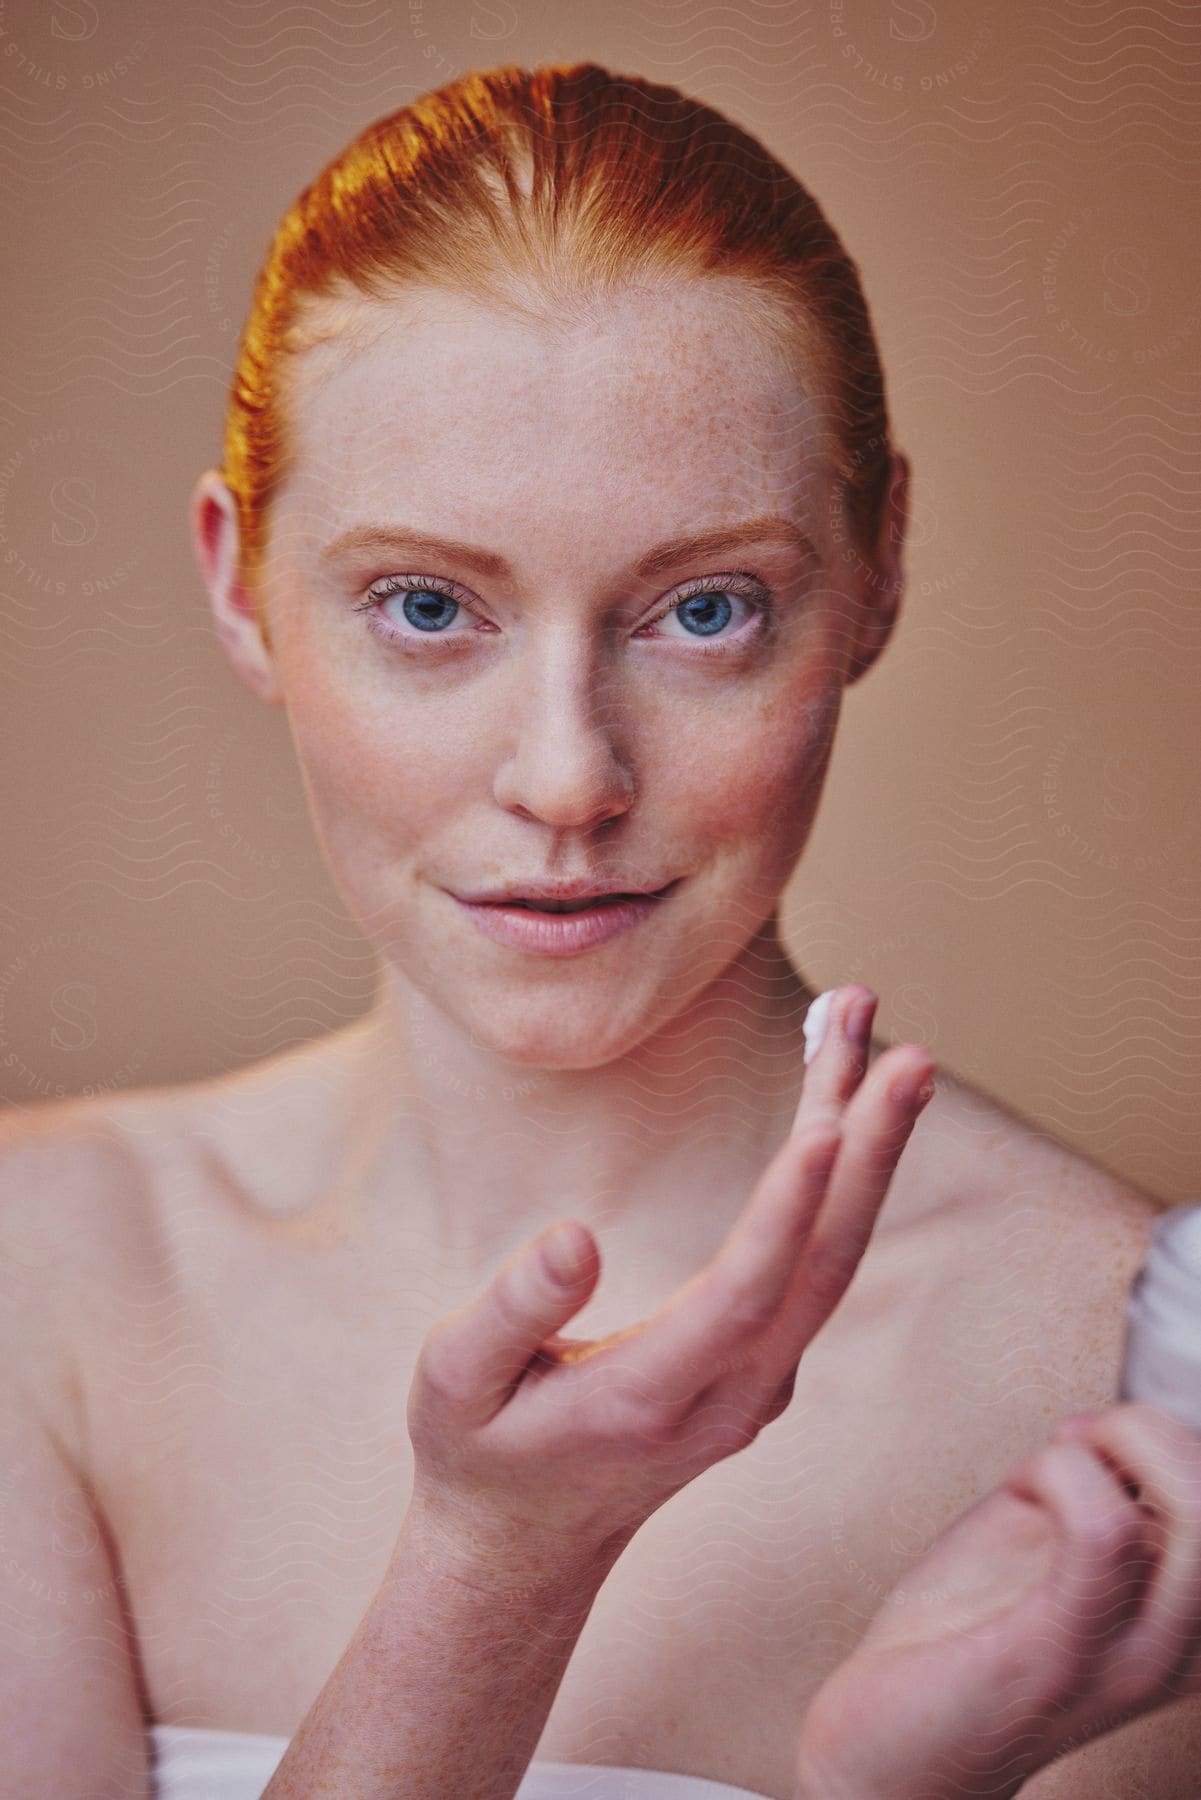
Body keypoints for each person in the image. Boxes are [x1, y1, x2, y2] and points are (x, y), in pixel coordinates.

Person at [3, 58, 1199, 1800]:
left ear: (875, 574)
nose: (567, 775)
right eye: (426, 607)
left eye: (707, 610)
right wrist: (493, 1569)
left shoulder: (1124, 1390)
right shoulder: (33, 1276)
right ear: (239, 586)